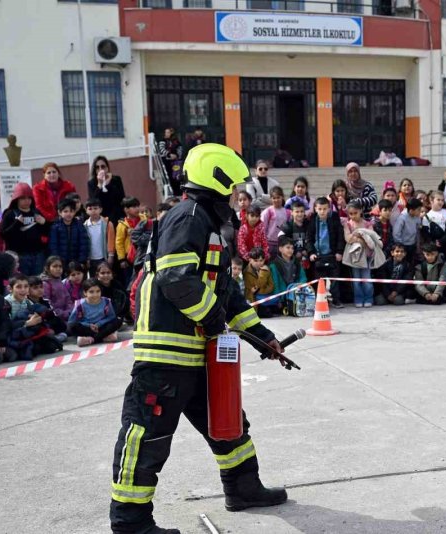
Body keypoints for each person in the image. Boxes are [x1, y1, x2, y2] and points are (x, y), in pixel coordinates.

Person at [109, 143, 286, 533]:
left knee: (228, 422)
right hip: (167, 354)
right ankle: (130, 522)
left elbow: (226, 294)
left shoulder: (207, 223)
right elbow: (176, 279)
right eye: (233, 187)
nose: (236, 195)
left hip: (198, 352)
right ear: (216, 180)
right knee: (148, 436)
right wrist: (215, 321)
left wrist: (263, 338)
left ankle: (243, 488)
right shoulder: (187, 218)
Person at [0, 182, 49, 276]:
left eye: (29, 198)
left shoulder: (36, 212)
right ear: (16, 199)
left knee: (37, 282)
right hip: (19, 256)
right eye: (23, 198)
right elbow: (4, 235)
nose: (27, 201)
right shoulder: (10, 214)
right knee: (22, 282)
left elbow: (47, 233)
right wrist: (17, 223)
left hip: (38, 255)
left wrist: (44, 223)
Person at [307, 197, 345, 307]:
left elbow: (340, 236)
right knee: (320, 281)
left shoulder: (334, 219)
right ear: (315, 209)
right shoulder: (312, 221)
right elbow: (309, 238)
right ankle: (322, 300)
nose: (322, 211)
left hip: (332, 255)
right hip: (318, 256)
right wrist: (311, 252)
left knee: (334, 280)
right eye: (320, 209)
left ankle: (336, 299)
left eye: (325, 209)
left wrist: (339, 251)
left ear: (329, 209)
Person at [342, 199, 379, 307]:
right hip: (355, 257)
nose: (353, 216)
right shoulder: (348, 224)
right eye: (351, 214)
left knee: (367, 279)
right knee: (356, 280)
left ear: (361, 211)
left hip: (366, 256)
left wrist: (358, 236)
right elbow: (348, 238)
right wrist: (361, 239)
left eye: (355, 213)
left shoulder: (367, 224)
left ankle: (368, 298)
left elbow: (372, 238)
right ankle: (358, 299)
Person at [67, 278, 121, 346]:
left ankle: (92, 339)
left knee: (117, 321)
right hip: (88, 328)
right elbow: (71, 322)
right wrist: (89, 325)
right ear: (85, 293)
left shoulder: (106, 301)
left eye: (98, 291)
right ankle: (103, 337)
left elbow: (111, 316)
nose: (95, 295)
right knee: (72, 327)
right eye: (91, 292)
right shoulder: (79, 304)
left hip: (101, 326)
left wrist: (99, 324)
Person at [270, 235, 309, 313]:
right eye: (288, 247)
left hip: (296, 293)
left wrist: (299, 286)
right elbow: (275, 284)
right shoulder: (274, 265)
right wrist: (279, 300)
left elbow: (303, 278)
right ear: (280, 249)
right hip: (282, 296)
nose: (291, 250)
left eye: (292, 248)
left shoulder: (297, 263)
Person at [48, 198, 90, 268]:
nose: (68, 214)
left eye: (71, 211)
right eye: (65, 211)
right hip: (60, 263)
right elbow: (53, 246)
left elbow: (83, 244)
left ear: (75, 212)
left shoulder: (79, 225)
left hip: (76, 262)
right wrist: (57, 261)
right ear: (59, 212)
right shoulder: (55, 227)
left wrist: (81, 261)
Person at [87, 156, 127, 223]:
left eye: (103, 167)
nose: (100, 169)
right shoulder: (92, 183)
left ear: (107, 168)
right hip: (101, 217)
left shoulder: (116, 180)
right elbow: (93, 201)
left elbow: (121, 198)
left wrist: (108, 184)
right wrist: (99, 185)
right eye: (97, 167)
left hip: (117, 216)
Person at [28, 275, 68, 342]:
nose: (39, 290)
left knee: (63, 326)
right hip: (37, 330)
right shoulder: (27, 304)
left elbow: (54, 318)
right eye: (35, 288)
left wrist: (52, 329)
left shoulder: (45, 302)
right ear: (28, 290)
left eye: (41, 287)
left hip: (48, 328)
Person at [115, 197, 144, 285]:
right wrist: (122, 259)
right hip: (129, 257)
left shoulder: (144, 219)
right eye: (134, 207)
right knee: (130, 281)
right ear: (126, 209)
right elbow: (119, 243)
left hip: (143, 253)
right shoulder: (122, 224)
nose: (137, 209)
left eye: (138, 206)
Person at [84, 198, 117, 274]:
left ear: (101, 209)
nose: (93, 211)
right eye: (90, 209)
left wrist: (111, 256)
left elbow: (111, 240)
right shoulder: (84, 226)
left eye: (95, 208)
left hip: (103, 257)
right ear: (86, 210)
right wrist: (87, 258)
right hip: (91, 258)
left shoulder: (107, 224)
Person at [243, 247, 275, 317]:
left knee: (275, 299)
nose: (258, 263)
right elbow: (255, 288)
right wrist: (263, 273)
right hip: (252, 299)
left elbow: (271, 286)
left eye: (261, 260)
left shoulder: (266, 269)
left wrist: (260, 290)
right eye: (255, 260)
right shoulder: (247, 272)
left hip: (263, 296)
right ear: (250, 260)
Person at [41, 256, 73, 323]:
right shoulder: (45, 284)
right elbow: (47, 305)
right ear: (47, 268)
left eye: (60, 266)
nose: (58, 269)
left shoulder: (60, 281)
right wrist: (63, 314)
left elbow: (68, 299)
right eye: (55, 266)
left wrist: (69, 311)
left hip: (67, 315)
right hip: (54, 318)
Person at [261, 186, 287, 260]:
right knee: (271, 264)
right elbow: (262, 229)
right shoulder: (267, 212)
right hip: (270, 245)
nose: (276, 200)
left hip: (283, 244)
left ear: (282, 197)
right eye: (274, 198)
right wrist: (264, 245)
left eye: (278, 197)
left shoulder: (287, 212)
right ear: (270, 198)